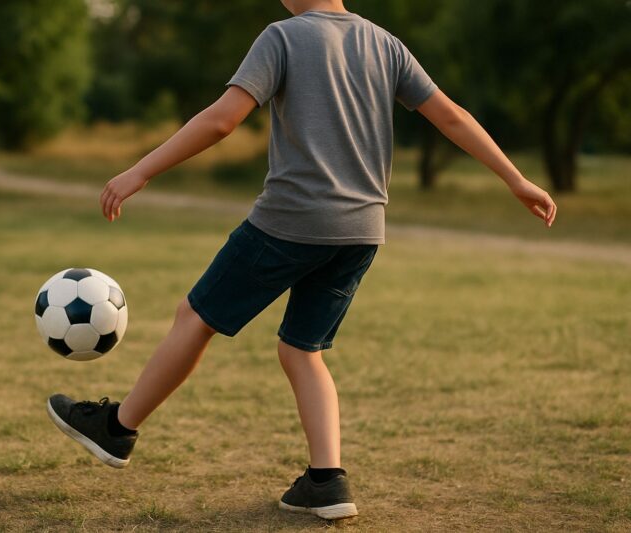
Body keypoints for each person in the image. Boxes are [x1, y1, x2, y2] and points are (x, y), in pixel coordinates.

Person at [46, 0, 557, 521]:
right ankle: (326, 481)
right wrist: (514, 178)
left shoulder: (282, 37)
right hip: (360, 231)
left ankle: (117, 429)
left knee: (195, 318)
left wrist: (141, 171)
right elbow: (450, 115)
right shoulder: (384, 44)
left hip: (290, 221)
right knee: (302, 349)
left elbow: (224, 120)